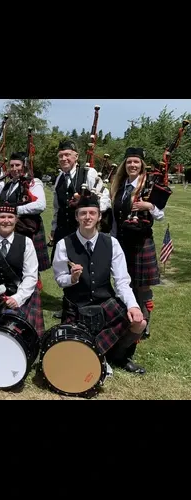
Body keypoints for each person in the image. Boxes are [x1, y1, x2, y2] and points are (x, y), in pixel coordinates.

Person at [52, 191, 148, 374]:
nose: (87, 217)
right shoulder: (64, 244)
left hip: (105, 303)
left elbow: (121, 281)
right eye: (83, 213)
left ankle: (117, 356)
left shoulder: (111, 243)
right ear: (76, 216)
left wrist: (133, 306)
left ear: (99, 216)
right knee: (70, 347)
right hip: (77, 306)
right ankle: (98, 355)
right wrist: (72, 278)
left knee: (139, 323)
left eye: (92, 213)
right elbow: (59, 279)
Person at [110, 147, 164, 348]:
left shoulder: (149, 185)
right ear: (125, 164)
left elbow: (160, 214)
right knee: (124, 283)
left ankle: (144, 323)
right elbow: (114, 217)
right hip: (122, 241)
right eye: (129, 162)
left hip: (142, 243)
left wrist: (148, 206)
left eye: (136, 162)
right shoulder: (119, 186)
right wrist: (113, 240)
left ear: (142, 165)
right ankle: (128, 320)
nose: (133, 165)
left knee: (142, 287)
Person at [0, 200, 45, 338]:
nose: (6, 221)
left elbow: (31, 276)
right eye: (2, 217)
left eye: (10, 217)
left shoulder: (26, 243)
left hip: (21, 299)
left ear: (16, 219)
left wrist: (18, 298)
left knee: (20, 338)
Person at [50, 139, 111, 262]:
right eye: (60, 156)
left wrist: (88, 205)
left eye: (67, 155)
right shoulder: (59, 179)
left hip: (83, 232)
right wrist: (53, 228)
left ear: (76, 156)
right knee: (63, 271)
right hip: (62, 232)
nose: (63, 158)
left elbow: (105, 198)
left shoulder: (88, 173)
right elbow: (57, 207)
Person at [0, 151, 50, 273]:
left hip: (28, 228)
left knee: (29, 266)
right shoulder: (9, 184)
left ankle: (33, 291)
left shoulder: (33, 182)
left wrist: (16, 210)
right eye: (11, 166)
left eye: (17, 165)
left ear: (24, 166)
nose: (14, 169)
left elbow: (40, 205)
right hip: (10, 229)